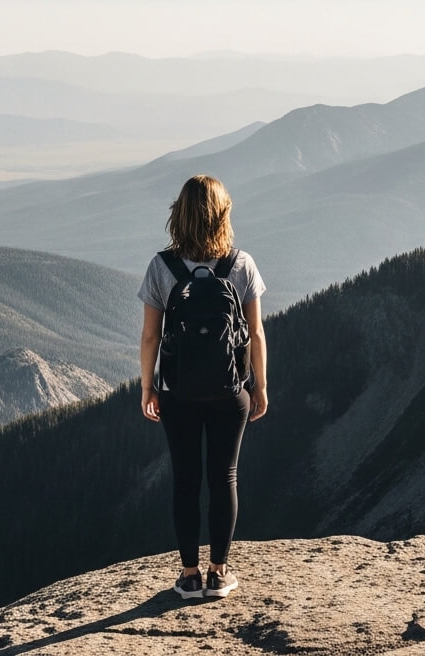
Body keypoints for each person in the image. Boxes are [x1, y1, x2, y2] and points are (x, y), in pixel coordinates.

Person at [139, 174, 268, 600]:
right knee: (224, 476)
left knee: (185, 480)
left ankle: (190, 575)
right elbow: (256, 332)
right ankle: (219, 572)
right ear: (222, 214)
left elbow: (151, 337)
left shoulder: (163, 267)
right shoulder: (241, 264)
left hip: (179, 392)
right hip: (231, 391)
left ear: (180, 214)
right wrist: (260, 387)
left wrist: (149, 388)